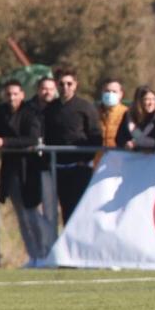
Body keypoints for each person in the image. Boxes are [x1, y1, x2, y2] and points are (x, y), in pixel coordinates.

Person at [0, 79, 52, 262]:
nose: (11, 98)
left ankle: (45, 253)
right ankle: (33, 256)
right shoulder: (0, 112)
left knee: (34, 214)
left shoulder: (31, 112)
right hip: (11, 170)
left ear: (22, 95)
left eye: (15, 94)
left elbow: (32, 139)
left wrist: (5, 142)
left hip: (30, 169)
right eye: (8, 94)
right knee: (22, 217)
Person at [42, 66, 102, 225]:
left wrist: (86, 159)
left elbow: (95, 136)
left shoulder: (85, 107)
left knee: (80, 210)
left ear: (75, 84)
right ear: (56, 84)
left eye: (69, 83)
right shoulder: (50, 109)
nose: (65, 87)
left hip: (79, 168)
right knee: (64, 211)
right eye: (62, 84)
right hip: (57, 168)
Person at [31, 76, 60, 243]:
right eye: (44, 88)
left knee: (54, 210)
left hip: (55, 165)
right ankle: (44, 247)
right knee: (37, 209)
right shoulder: (29, 109)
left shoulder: (59, 108)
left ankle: (55, 246)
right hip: (35, 165)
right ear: (38, 90)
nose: (47, 92)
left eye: (50, 88)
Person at [116, 85, 155, 151]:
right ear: (139, 101)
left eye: (153, 99)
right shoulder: (128, 116)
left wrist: (141, 143)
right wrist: (126, 144)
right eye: (147, 99)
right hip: (132, 157)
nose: (151, 103)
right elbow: (119, 138)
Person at [97, 78, 127, 148]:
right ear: (102, 92)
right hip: (98, 156)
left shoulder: (127, 113)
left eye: (114, 91)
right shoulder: (94, 112)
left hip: (119, 155)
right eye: (107, 91)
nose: (110, 94)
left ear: (121, 94)